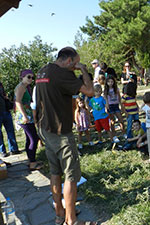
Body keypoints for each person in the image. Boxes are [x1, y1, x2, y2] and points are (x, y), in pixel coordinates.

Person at [36, 47, 95, 225]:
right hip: (61, 132)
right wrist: (84, 70)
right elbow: (90, 91)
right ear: (69, 61)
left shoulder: (43, 71)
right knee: (71, 176)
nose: (76, 66)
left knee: (55, 173)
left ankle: (60, 214)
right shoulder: (63, 74)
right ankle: (72, 220)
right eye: (76, 62)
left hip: (46, 129)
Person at [15, 69, 40, 170]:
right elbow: (18, 102)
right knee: (34, 138)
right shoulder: (21, 87)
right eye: (28, 77)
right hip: (24, 117)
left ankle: (30, 160)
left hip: (27, 116)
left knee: (29, 139)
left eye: (32, 77)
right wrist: (24, 116)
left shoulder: (25, 87)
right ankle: (33, 163)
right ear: (22, 77)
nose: (31, 79)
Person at [0, 81, 19, 157]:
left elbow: (4, 95)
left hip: (5, 110)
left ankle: (13, 149)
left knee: (10, 130)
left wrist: (6, 98)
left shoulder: (0, 84)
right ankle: (2, 151)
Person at [103, 76, 125, 140]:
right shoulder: (106, 90)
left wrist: (121, 105)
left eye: (112, 82)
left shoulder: (116, 89)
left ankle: (124, 133)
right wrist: (106, 106)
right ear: (106, 83)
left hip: (116, 105)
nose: (110, 83)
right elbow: (105, 98)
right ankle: (114, 135)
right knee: (112, 121)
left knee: (121, 120)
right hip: (110, 106)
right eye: (109, 82)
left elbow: (119, 97)